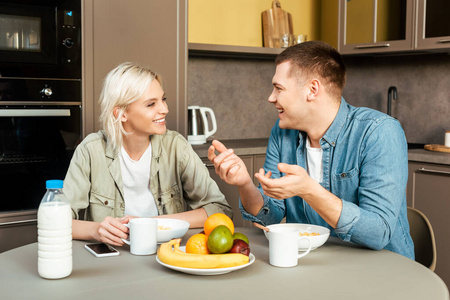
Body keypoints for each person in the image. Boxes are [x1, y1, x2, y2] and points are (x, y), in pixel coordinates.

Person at [208, 41, 414, 259]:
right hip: (312, 262)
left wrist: (309, 190)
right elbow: (271, 217)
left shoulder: (378, 132)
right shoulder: (282, 134)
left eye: (278, 88)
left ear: (312, 90)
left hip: (383, 270)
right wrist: (244, 184)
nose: (271, 97)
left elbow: (378, 233)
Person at [64, 62, 232, 246]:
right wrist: (96, 230)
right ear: (121, 113)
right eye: (151, 104)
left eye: (163, 99)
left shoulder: (176, 147)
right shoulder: (90, 151)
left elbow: (219, 211)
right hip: (113, 259)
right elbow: (55, 222)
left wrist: (151, 223)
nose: (164, 109)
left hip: (165, 254)